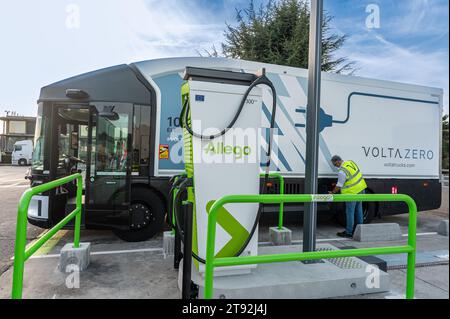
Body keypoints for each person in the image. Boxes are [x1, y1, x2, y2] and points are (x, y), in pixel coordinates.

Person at [329, 155, 368, 238]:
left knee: (350, 212)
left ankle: (349, 232)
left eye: (335, 164)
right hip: (361, 189)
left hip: (352, 192)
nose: (335, 166)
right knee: (359, 210)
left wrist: (332, 192)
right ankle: (360, 230)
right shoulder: (350, 162)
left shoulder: (342, 171)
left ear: (338, 161)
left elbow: (339, 185)